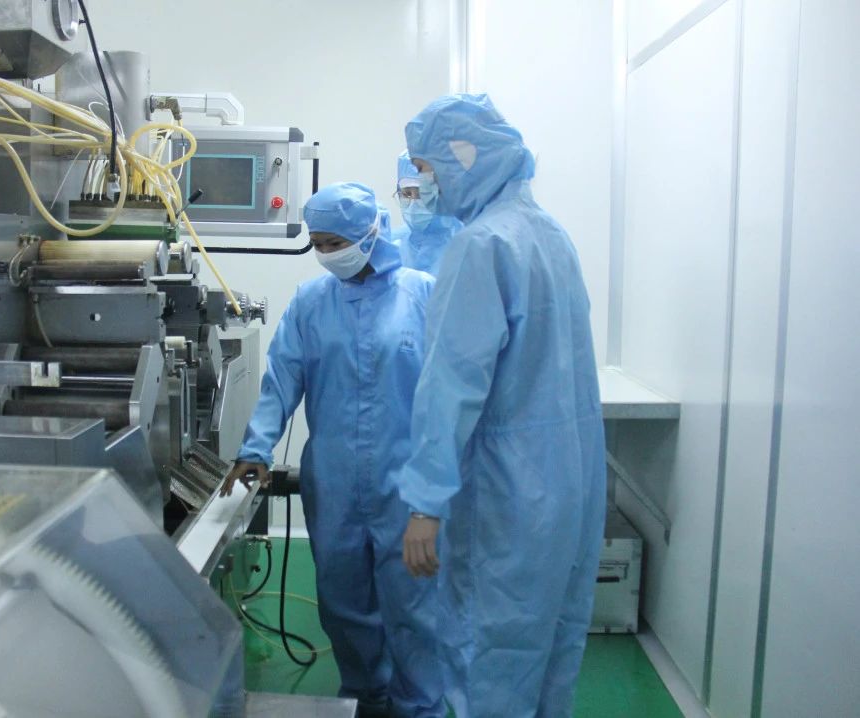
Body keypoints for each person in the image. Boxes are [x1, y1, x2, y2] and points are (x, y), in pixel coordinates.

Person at [398, 94, 606, 718]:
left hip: (509, 494)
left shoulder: (481, 246)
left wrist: (425, 502)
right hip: (568, 485)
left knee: (489, 655)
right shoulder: (551, 235)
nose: (421, 182)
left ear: (462, 158)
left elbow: (451, 385)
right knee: (551, 649)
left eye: (424, 167)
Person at [221, 182, 445, 718]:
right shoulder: (311, 302)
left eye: (335, 243)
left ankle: (420, 704)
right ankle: (367, 694)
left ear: (370, 234)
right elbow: (281, 379)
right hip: (335, 481)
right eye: (318, 244)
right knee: (343, 600)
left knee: (414, 604)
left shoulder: (423, 295)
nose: (326, 253)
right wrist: (257, 447)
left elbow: (451, 393)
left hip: (407, 481)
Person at [391, 151, 462, 276]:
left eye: (422, 193)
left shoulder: (467, 245)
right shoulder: (392, 247)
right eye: (407, 194)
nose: (413, 203)